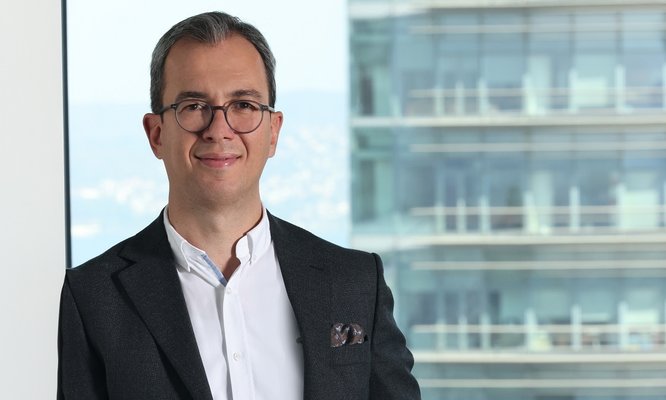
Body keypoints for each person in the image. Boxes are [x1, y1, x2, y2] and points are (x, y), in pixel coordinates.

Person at [57, 11, 420, 400]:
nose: (219, 130)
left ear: (273, 131)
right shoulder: (94, 298)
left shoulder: (354, 282)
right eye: (194, 106)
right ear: (157, 134)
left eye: (243, 105)